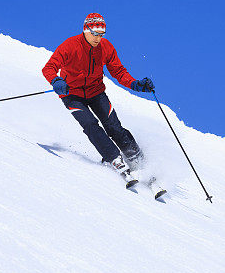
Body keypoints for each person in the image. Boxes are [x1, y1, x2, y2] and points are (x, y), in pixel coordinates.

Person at [42, 13, 154, 179]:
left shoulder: (105, 47)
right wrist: (56, 80)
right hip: (72, 94)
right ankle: (114, 159)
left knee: (114, 126)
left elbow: (118, 71)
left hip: (96, 92)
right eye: (94, 34)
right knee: (90, 124)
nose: (97, 38)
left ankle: (137, 160)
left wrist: (135, 84)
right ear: (86, 30)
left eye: (101, 35)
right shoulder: (70, 45)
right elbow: (49, 68)